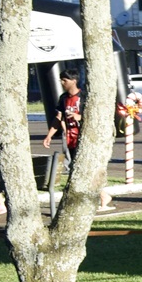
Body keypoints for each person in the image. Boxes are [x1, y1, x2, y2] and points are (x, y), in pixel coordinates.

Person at [42, 69, 112, 210]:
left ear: (74, 81)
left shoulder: (84, 96)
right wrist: (49, 135)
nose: (62, 83)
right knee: (77, 170)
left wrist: (80, 117)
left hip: (85, 139)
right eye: (61, 80)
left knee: (86, 169)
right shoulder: (63, 98)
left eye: (65, 80)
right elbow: (58, 118)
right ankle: (99, 196)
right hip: (70, 140)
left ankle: (102, 196)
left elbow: (95, 116)